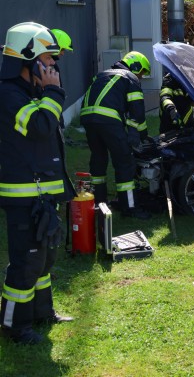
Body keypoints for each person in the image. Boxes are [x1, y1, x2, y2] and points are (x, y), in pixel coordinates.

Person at [0, 22, 75, 345]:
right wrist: (54, 92)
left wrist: (48, 92)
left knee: (44, 260)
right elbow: (42, 127)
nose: (53, 66)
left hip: (42, 195)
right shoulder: (8, 95)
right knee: (26, 263)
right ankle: (15, 326)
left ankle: (43, 313)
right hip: (23, 198)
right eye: (46, 59)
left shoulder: (32, 92)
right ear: (27, 60)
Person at [80, 51, 151, 219]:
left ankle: (99, 203)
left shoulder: (102, 75)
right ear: (136, 66)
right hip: (108, 120)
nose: (140, 77)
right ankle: (129, 208)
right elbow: (137, 112)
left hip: (88, 120)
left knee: (98, 159)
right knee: (124, 162)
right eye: (141, 73)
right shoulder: (129, 78)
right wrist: (143, 135)